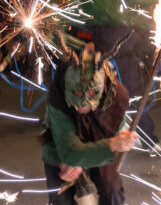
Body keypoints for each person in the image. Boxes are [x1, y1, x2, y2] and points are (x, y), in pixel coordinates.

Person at [41, 44, 137, 205]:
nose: (83, 101)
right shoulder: (58, 96)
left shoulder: (117, 97)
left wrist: (121, 140)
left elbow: (114, 137)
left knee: (113, 190)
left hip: (98, 143)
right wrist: (73, 158)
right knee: (59, 197)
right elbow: (70, 152)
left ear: (102, 86)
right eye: (77, 93)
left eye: (91, 93)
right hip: (60, 144)